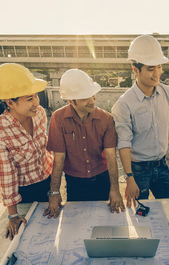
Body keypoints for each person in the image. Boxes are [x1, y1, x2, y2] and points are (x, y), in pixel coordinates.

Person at [44, 69, 124, 218]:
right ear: (70, 100)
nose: (92, 101)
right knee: (77, 224)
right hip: (75, 184)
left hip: (102, 179)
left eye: (92, 95)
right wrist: (54, 192)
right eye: (84, 98)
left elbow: (111, 156)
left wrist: (115, 189)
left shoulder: (106, 119)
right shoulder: (58, 119)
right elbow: (59, 159)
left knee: (106, 222)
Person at [0, 63, 54, 240]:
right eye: (29, 98)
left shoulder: (39, 113)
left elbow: (46, 150)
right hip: (23, 192)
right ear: (10, 102)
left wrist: (54, 191)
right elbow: (6, 172)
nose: (37, 103)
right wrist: (13, 215)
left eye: (36, 96)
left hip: (47, 181)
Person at [111, 35, 169, 206]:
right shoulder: (124, 105)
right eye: (150, 69)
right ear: (135, 70)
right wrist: (129, 177)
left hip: (162, 166)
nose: (157, 74)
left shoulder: (167, 93)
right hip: (138, 171)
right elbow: (124, 143)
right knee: (138, 215)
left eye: (159, 67)